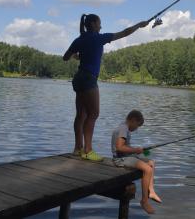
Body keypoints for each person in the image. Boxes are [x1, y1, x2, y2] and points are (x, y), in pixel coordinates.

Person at [63, 14, 149, 161]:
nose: (101, 26)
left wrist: (78, 55)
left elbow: (65, 57)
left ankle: (78, 148)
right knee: (93, 114)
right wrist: (139, 25)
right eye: (99, 24)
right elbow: (125, 32)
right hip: (89, 78)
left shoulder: (79, 39)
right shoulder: (99, 38)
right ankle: (88, 150)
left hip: (79, 78)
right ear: (93, 24)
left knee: (81, 115)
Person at [112, 110, 161, 214]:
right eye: (137, 126)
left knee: (151, 162)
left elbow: (125, 146)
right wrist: (135, 150)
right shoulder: (123, 129)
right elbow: (119, 147)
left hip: (127, 156)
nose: (136, 129)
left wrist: (137, 150)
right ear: (133, 120)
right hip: (120, 159)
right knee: (147, 169)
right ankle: (144, 201)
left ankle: (151, 191)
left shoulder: (124, 127)